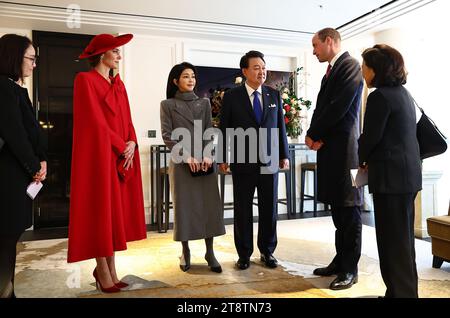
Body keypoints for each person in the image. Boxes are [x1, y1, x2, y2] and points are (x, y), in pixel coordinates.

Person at [67, 34, 147, 293]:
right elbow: (93, 122)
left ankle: (112, 269)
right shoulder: (85, 80)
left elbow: (128, 119)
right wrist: (120, 145)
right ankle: (103, 269)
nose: (119, 56)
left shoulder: (118, 84)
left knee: (116, 213)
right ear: (101, 54)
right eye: (115, 51)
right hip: (100, 156)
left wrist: (132, 142)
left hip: (122, 155)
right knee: (100, 210)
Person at [359, 44, 422, 298]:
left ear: (376, 69)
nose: (362, 71)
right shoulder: (403, 94)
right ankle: (402, 292)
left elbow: (370, 138)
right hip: (407, 177)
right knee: (404, 243)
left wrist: (361, 157)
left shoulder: (379, 97)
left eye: (365, 66)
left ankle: (400, 295)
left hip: (390, 179)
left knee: (391, 243)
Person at [219, 50, 289, 270]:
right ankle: (244, 254)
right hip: (243, 161)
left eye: (264, 67)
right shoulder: (231, 97)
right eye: (257, 67)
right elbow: (224, 130)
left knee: (269, 208)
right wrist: (223, 157)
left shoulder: (273, 95)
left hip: (269, 161)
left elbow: (280, 128)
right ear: (245, 71)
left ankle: (267, 252)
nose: (262, 71)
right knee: (243, 209)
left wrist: (284, 154)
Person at [306, 28, 363, 290]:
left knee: (349, 211)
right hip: (331, 150)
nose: (314, 50)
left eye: (316, 45)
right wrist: (312, 135)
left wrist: (315, 134)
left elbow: (339, 107)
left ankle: (350, 269)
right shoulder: (331, 71)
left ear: (330, 41)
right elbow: (322, 107)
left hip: (346, 153)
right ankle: (340, 261)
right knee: (338, 211)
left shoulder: (350, 65)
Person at [160, 62, 225, 273]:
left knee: (209, 207)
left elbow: (208, 131)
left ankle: (210, 252)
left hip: (205, 163)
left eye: (193, 76)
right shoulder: (167, 104)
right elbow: (167, 136)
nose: (191, 80)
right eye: (186, 76)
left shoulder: (204, 103)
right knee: (184, 208)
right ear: (175, 81)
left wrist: (207, 154)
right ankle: (185, 250)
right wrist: (187, 157)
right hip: (182, 165)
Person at [0, 34, 47, 298]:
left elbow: (32, 131)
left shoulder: (16, 88)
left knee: (9, 239)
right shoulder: (3, 87)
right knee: (5, 240)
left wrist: (41, 160)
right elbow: (15, 134)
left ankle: (9, 291)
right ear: (14, 57)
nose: (34, 64)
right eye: (31, 58)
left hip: (19, 174)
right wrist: (34, 166)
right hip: (8, 177)